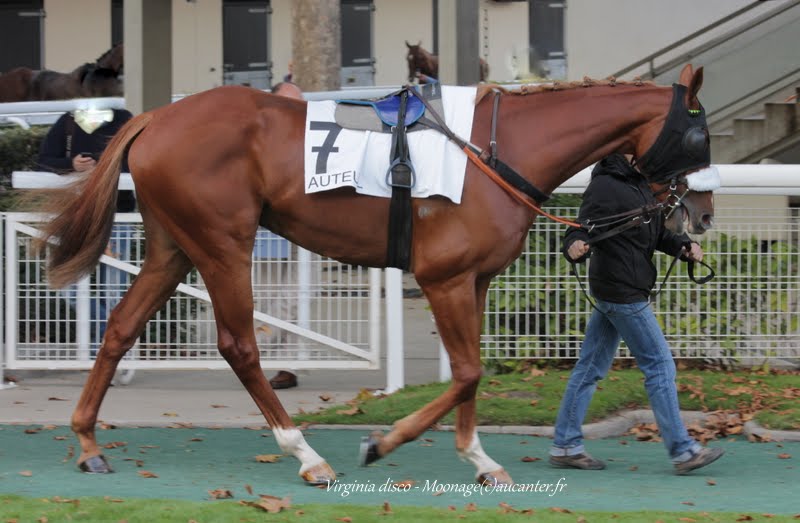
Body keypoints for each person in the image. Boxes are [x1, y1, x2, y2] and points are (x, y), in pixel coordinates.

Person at [550, 153, 724, 475]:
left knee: (590, 367)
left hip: (618, 291)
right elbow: (579, 229)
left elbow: (655, 231)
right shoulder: (605, 185)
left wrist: (683, 247)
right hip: (622, 292)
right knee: (659, 365)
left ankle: (565, 444)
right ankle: (683, 451)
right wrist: (574, 246)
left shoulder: (642, 183)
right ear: (625, 150)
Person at [38, 107, 135, 358]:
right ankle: (111, 337)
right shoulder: (68, 120)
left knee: (115, 290)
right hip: (77, 217)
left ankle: (104, 352)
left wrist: (105, 165)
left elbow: (138, 160)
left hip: (117, 216)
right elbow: (44, 160)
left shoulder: (124, 119)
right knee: (67, 284)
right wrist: (71, 164)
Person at [262, 81, 303, 390]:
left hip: (308, 231)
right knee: (268, 298)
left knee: (297, 296)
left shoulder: (310, 137)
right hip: (266, 236)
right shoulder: (259, 140)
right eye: (289, 103)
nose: (297, 110)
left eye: (300, 103)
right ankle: (264, 358)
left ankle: (286, 365)